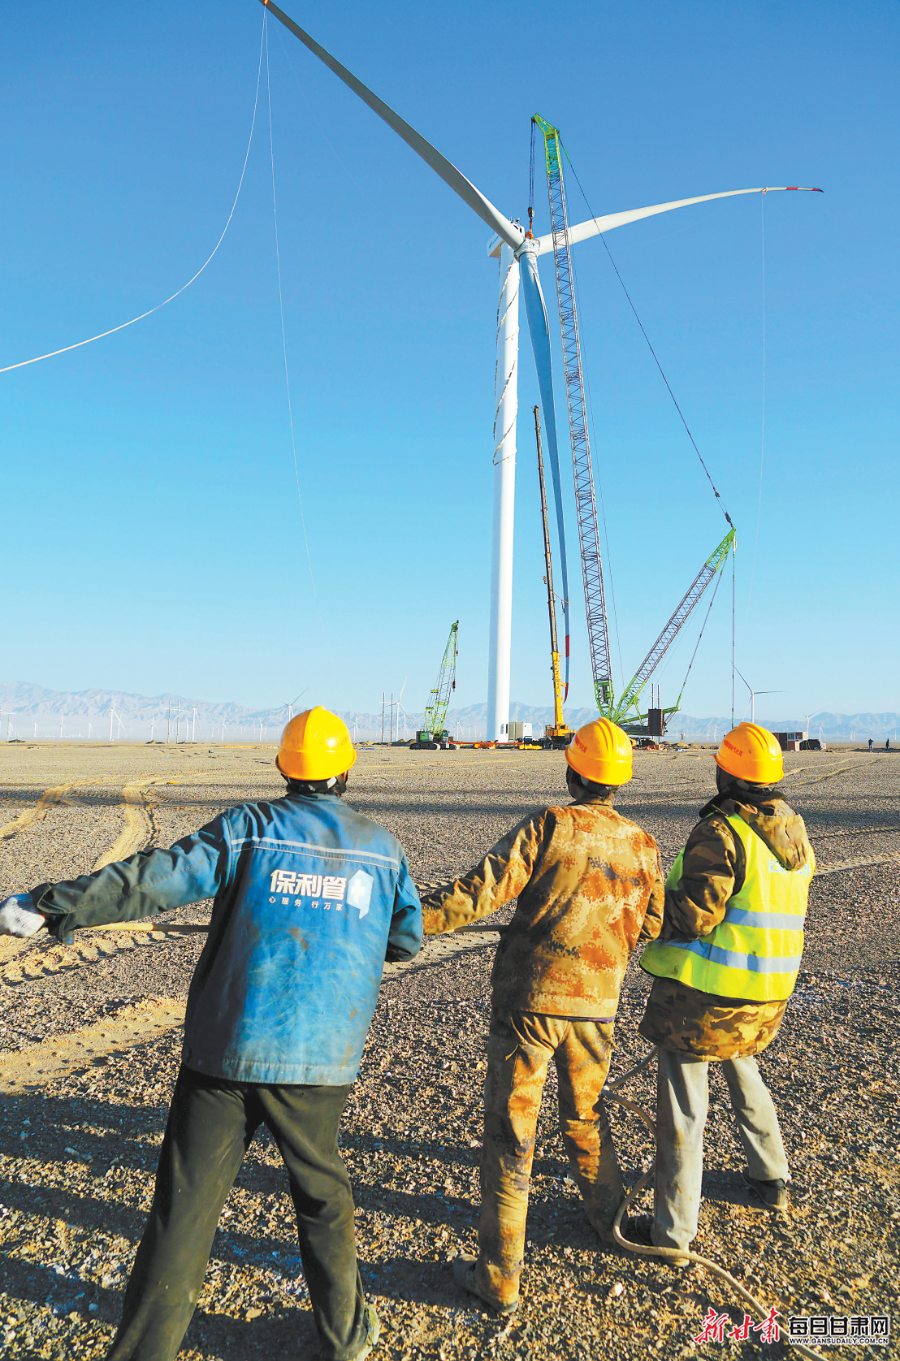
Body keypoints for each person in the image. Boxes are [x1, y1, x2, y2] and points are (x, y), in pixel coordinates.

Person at [0, 708, 422, 1361]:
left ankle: (146, 1351)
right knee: (323, 1197)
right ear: (346, 770)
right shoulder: (381, 847)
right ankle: (345, 1336)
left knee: (185, 1206)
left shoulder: (248, 830)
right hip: (321, 1057)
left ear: (285, 766)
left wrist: (52, 901)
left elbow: (152, 881)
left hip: (226, 1048)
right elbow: (404, 939)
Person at [420, 718, 664, 1313]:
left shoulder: (550, 825)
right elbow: (653, 928)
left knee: (512, 1135)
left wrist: (407, 921)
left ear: (572, 770)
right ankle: (612, 1222)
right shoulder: (644, 844)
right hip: (597, 1007)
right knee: (586, 1116)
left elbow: (480, 892)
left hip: (530, 1004)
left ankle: (499, 1280)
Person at [632, 722, 815, 1265]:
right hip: (765, 994)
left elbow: (693, 917)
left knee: (684, 1107)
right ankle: (771, 1177)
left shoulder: (724, 831)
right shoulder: (795, 834)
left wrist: (643, 909)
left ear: (727, 772)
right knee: (743, 1070)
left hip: (707, 997)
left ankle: (673, 1232)